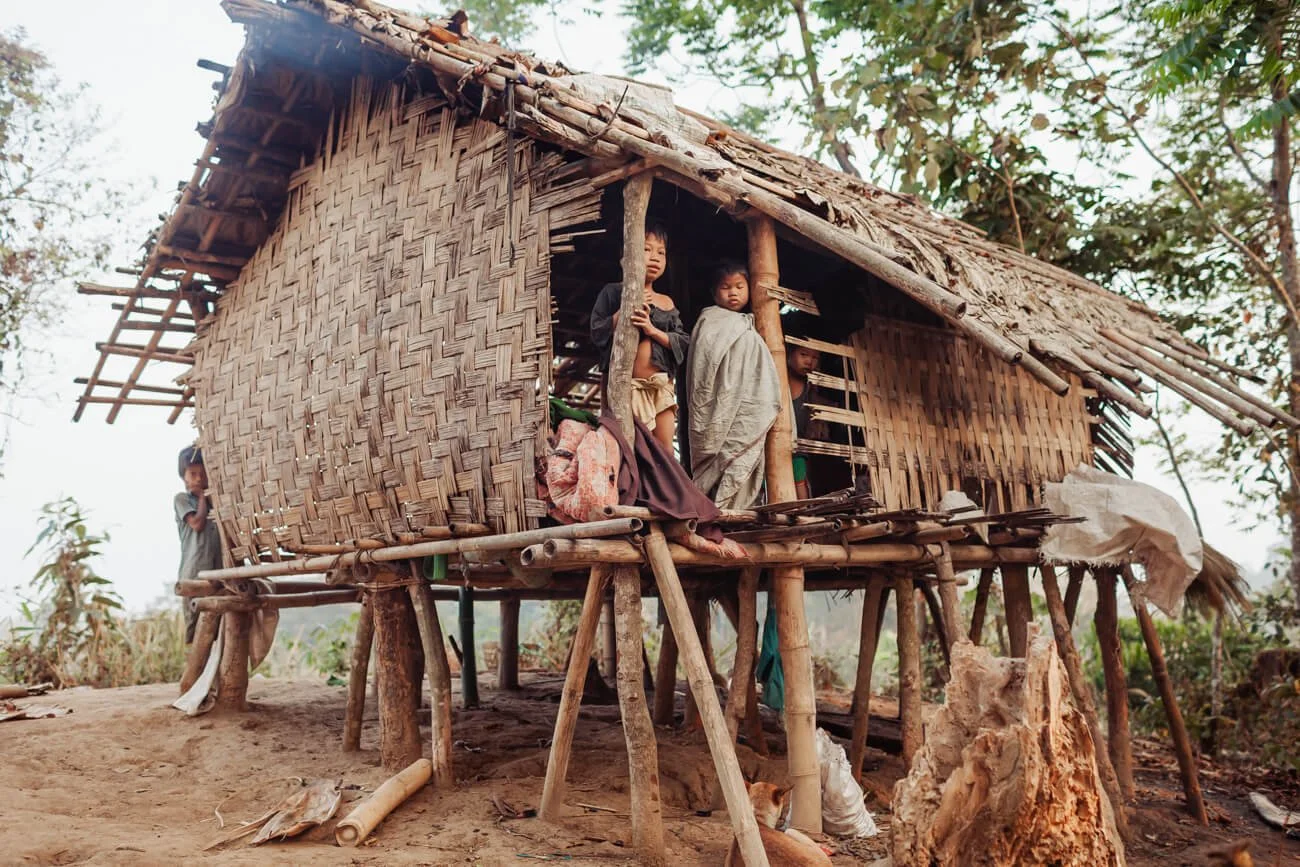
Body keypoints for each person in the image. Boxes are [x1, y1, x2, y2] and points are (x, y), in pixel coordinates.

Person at [685, 261, 782, 509]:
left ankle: (737, 510)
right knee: (719, 454)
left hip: (745, 407)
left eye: (739, 286)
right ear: (714, 292)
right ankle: (712, 509)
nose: (733, 292)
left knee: (741, 453)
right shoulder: (709, 321)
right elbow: (704, 370)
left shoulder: (749, 324)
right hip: (718, 410)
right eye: (726, 287)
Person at [589, 223, 690, 450]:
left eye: (661, 252)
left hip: (660, 387)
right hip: (626, 388)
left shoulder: (666, 302)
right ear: (626, 258)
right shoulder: (613, 292)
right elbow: (597, 332)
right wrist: (625, 307)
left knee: (664, 449)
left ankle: (660, 486)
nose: (655, 257)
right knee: (629, 448)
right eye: (646, 249)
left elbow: (683, 342)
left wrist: (652, 330)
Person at [175, 445, 222, 644]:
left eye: (202, 474)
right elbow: (197, 523)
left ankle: (216, 675)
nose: (198, 479)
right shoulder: (182, 499)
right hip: (194, 573)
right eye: (193, 474)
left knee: (216, 630)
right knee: (197, 633)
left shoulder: (216, 502)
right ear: (183, 476)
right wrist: (203, 497)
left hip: (217, 573)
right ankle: (196, 674)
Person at [786, 341, 824, 500]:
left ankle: (804, 513)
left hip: (798, 445)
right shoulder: (778, 376)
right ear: (788, 354)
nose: (809, 361)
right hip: (771, 441)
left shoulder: (812, 386)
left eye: (815, 357)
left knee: (799, 481)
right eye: (803, 354)